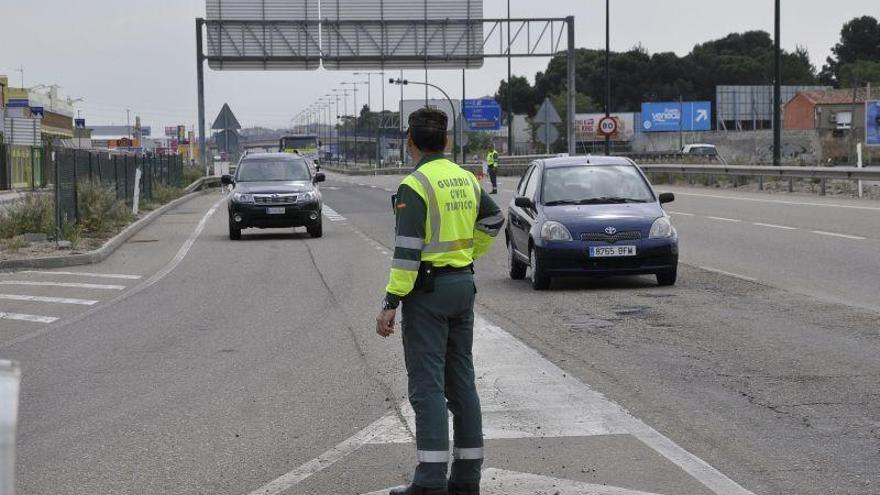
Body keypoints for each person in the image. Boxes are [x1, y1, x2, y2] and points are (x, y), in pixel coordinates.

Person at [376, 108, 504, 495]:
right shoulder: (465, 178)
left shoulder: (415, 186)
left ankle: (430, 481)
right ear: (446, 141)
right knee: (461, 381)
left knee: (426, 386)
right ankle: (467, 479)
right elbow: (494, 219)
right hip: (461, 285)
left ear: (410, 142)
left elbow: (407, 253)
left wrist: (390, 302)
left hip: (428, 294)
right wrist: (468, 255)